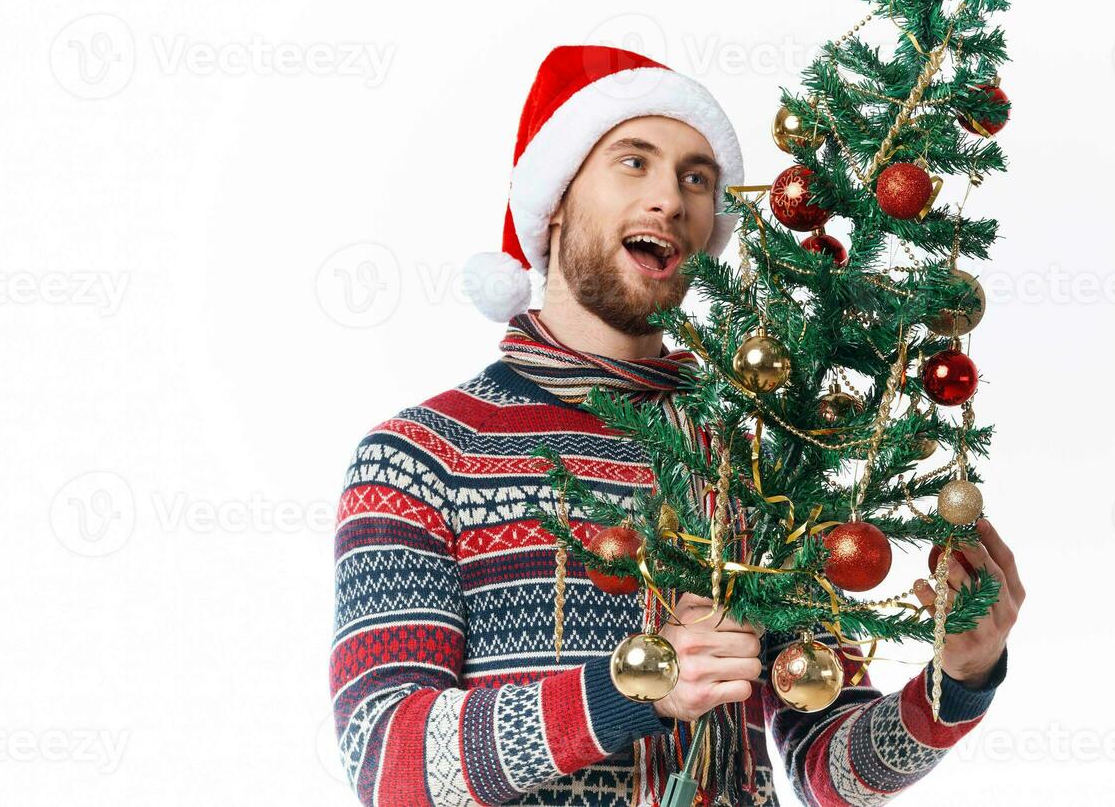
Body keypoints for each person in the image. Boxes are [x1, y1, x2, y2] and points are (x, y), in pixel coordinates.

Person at [329, 44, 1022, 806]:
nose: (672, 198)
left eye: (697, 178)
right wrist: (638, 684)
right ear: (555, 197)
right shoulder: (424, 454)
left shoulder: (747, 462)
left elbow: (833, 768)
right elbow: (386, 756)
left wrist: (957, 683)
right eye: (634, 163)